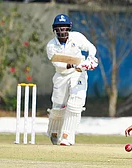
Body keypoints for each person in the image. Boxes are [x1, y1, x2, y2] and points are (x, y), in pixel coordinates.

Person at [46, 14, 98, 146]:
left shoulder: (77, 37)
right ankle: (54, 132)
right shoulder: (51, 46)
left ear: (69, 28)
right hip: (61, 76)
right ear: (54, 30)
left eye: (64, 28)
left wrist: (90, 59)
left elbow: (91, 47)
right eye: (59, 28)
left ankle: (67, 136)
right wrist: (75, 64)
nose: (62, 31)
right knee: (58, 107)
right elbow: (59, 65)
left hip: (77, 74)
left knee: (75, 104)